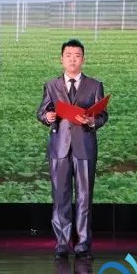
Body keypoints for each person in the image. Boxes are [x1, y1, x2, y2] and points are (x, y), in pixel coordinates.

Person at [37, 39, 108, 259]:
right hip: (60, 147)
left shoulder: (94, 85)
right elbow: (42, 112)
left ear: (83, 59)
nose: (72, 59)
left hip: (84, 146)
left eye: (77, 55)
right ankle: (62, 242)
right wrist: (47, 117)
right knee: (61, 195)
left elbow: (103, 116)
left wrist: (91, 121)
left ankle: (83, 244)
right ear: (62, 59)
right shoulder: (52, 85)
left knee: (85, 197)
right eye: (68, 55)